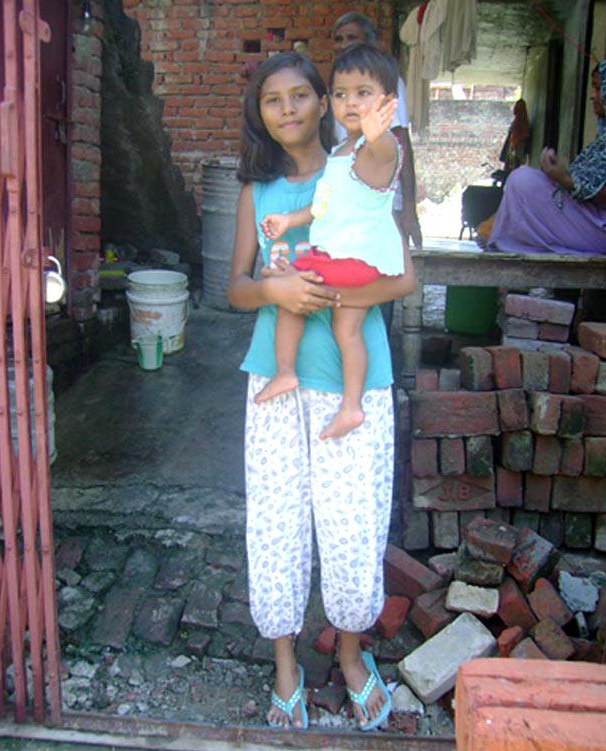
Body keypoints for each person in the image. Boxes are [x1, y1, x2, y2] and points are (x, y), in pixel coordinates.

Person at [227, 52, 415, 731]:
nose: (288, 110)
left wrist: (331, 290)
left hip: (352, 384)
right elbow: (235, 287)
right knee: (275, 519)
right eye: (272, 100)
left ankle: (352, 656)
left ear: (326, 102)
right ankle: (285, 663)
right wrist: (275, 288)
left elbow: (401, 279)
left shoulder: (362, 170)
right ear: (260, 112)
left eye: (301, 95)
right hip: (273, 382)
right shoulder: (258, 193)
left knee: (349, 523)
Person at [255, 44, 405, 441]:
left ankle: (285, 371)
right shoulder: (341, 154)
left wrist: (379, 136)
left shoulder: (373, 152)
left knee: (293, 288)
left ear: (388, 102)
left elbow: (387, 156)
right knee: (347, 332)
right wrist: (289, 219)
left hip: (353, 261)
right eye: (341, 94)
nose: (350, 102)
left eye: (363, 93)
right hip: (348, 261)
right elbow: (324, 208)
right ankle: (351, 407)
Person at [332, 12, 422, 334]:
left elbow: (402, 146)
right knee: (350, 292)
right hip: (349, 206)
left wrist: (408, 210)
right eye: (339, 40)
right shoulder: (341, 87)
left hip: (385, 203)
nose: (343, 46)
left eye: (351, 38)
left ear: (369, 42)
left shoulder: (387, 82)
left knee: (381, 285)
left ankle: (379, 367)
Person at [488, 58, 606, 255]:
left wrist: (567, 180)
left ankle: (514, 249)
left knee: (522, 181)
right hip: (592, 216)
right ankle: (511, 247)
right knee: (524, 180)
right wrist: (558, 174)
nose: (593, 97)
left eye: (599, 89)